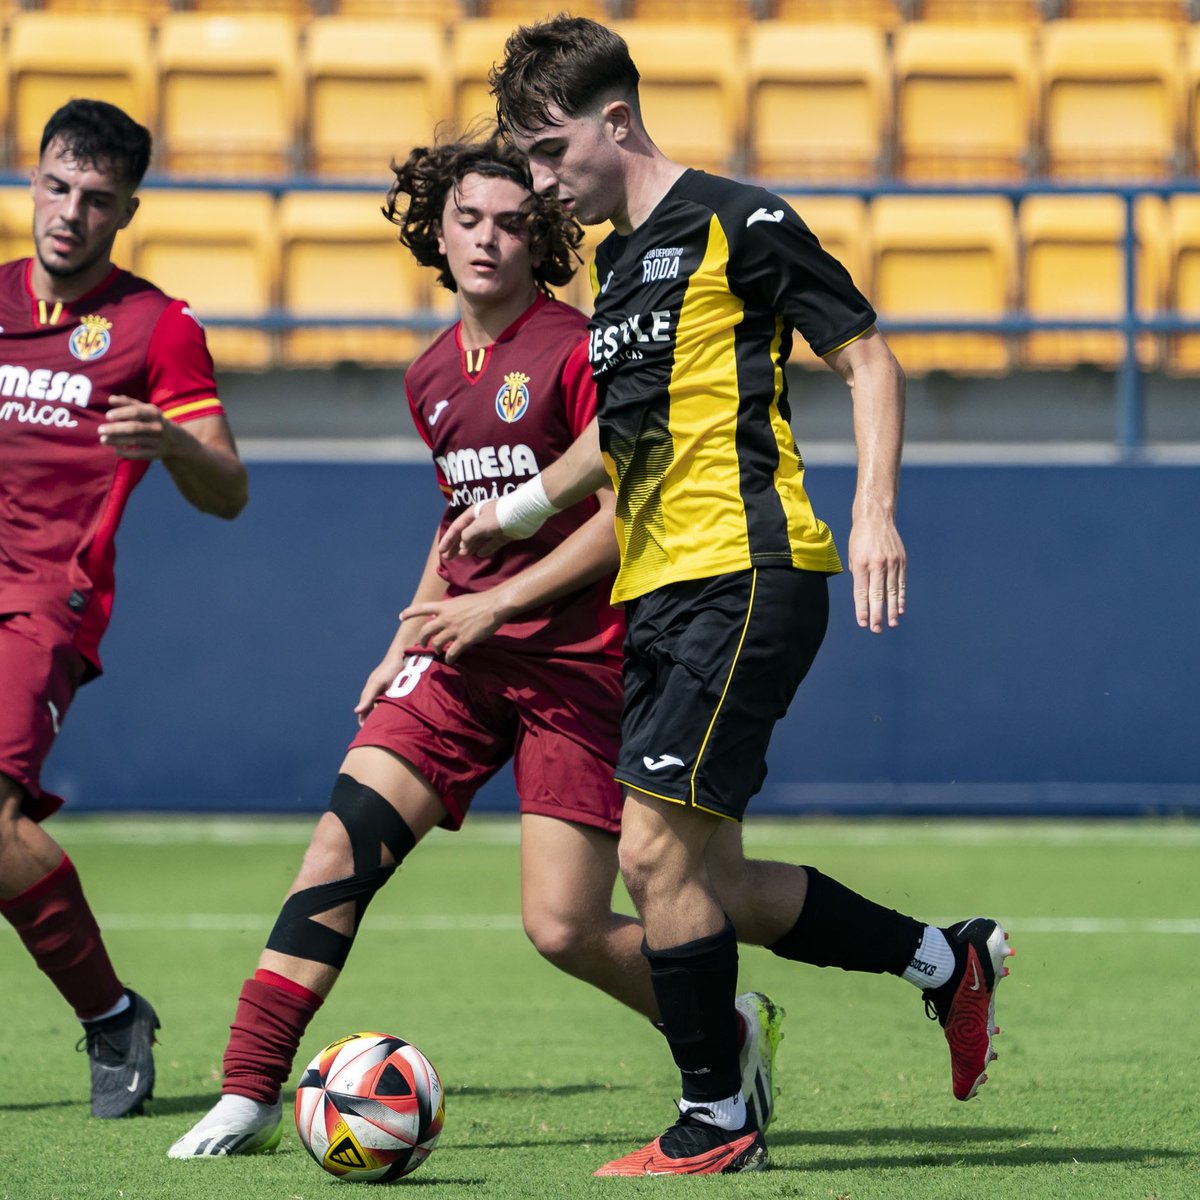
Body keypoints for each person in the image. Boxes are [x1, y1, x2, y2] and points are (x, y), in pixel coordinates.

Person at [441, 16, 1015, 1176]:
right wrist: (511, 513)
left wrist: (874, 510)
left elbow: (868, 358)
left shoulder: (739, 219)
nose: (542, 184)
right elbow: (618, 436)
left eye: (552, 156)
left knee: (651, 856)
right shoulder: (614, 264)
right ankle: (949, 964)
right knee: (714, 881)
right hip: (660, 588)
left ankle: (716, 1120)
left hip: (745, 569)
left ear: (616, 122)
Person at [167, 131, 789, 1161]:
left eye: (511, 221)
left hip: (578, 670)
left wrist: (496, 608)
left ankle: (724, 1029)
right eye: (469, 220)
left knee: (563, 928)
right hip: (459, 654)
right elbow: (458, 517)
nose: (489, 239)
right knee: (343, 842)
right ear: (437, 233)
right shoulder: (428, 375)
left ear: (539, 235)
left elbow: (623, 516)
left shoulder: (581, 347)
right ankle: (247, 1090)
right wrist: (409, 629)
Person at [0, 98, 249, 1118]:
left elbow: (228, 488)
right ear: (34, 181)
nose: (69, 212)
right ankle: (111, 1015)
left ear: (127, 211)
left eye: (96, 199)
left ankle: (109, 1015)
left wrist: (175, 442)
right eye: (57, 187)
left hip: (42, 602)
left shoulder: (157, 327)